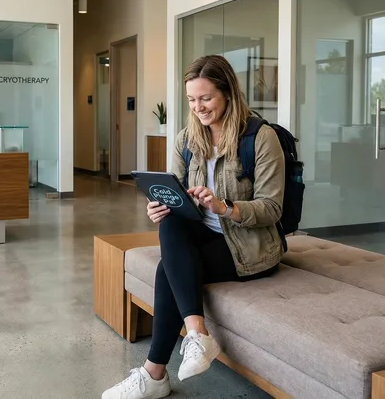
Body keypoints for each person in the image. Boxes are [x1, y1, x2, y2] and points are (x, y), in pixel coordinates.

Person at [102, 55, 286, 399]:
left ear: (227, 93)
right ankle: (197, 334)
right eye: (191, 99)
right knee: (170, 223)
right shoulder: (187, 138)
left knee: (167, 270)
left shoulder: (261, 138)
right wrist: (158, 205)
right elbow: (174, 192)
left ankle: (155, 374)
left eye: (206, 98)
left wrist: (224, 206)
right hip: (202, 233)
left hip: (249, 245)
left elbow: (272, 208)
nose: (198, 107)